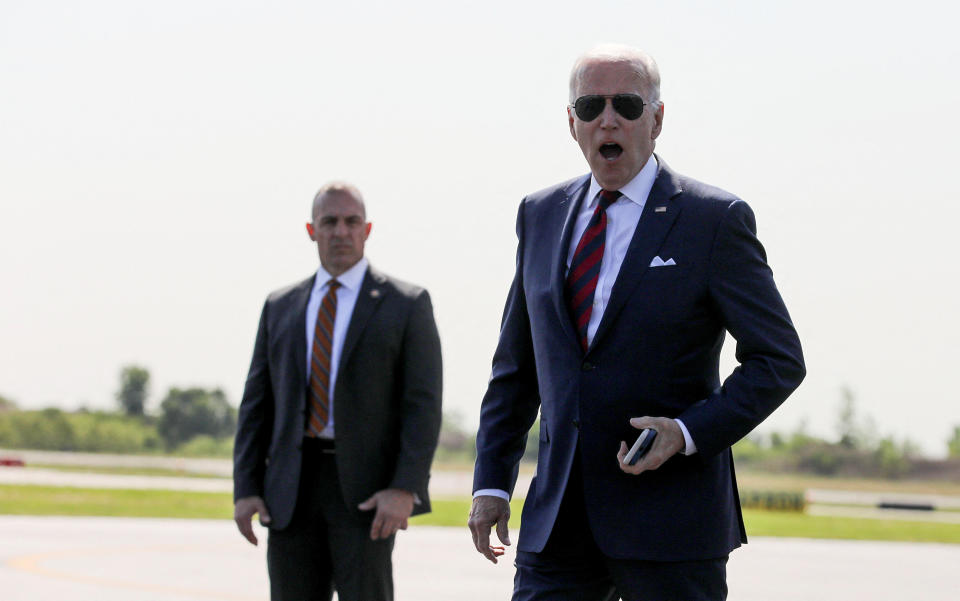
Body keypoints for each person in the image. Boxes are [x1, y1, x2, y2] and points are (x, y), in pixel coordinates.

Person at [468, 45, 805, 601]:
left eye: (626, 104)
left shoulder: (713, 221)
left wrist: (688, 432)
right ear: (571, 122)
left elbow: (779, 361)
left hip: (670, 523)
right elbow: (517, 367)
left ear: (657, 119)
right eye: (591, 105)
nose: (609, 119)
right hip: (558, 523)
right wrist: (490, 482)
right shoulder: (540, 213)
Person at [233, 182, 443, 601]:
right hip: (290, 491)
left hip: (366, 495)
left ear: (367, 230)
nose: (341, 232)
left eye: (351, 222)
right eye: (329, 222)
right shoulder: (281, 306)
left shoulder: (406, 304)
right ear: (312, 230)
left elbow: (423, 407)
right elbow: (257, 404)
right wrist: (246, 487)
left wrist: (405, 488)